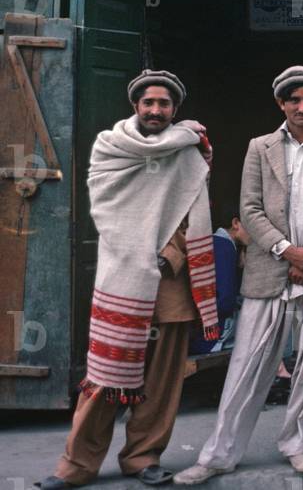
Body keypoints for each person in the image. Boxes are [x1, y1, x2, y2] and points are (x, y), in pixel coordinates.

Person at [175, 66, 303, 483]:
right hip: (270, 268)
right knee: (249, 364)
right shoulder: (260, 147)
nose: (302, 107)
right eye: (294, 100)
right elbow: (250, 208)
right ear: (281, 104)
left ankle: (299, 444)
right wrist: (288, 252)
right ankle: (219, 454)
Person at [38, 70, 216, 489]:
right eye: (148, 102)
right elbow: (107, 211)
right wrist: (138, 253)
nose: (156, 110)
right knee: (105, 378)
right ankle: (76, 466)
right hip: (123, 278)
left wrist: (169, 255)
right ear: (135, 105)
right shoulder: (110, 146)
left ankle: (143, 457)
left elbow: (195, 214)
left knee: (162, 384)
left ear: (174, 109)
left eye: (164, 104)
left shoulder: (189, 153)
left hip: (170, 282)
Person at [188, 215, 248, 355]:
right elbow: (225, 296)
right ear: (235, 223)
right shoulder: (224, 246)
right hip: (215, 330)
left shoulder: (215, 243)